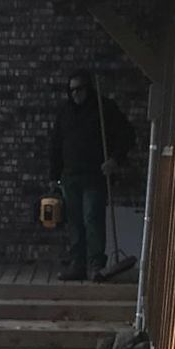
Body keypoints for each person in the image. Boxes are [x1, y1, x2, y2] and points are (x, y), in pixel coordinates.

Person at [49, 70, 137, 282]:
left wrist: (115, 159)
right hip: (70, 176)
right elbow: (55, 144)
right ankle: (77, 265)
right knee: (75, 222)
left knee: (92, 218)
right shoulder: (65, 112)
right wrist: (54, 175)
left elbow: (126, 134)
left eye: (80, 89)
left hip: (94, 175)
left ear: (88, 89)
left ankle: (95, 265)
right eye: (72, 90)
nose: (76, 94)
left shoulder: (104, 108)